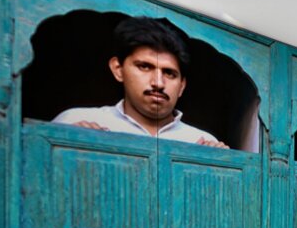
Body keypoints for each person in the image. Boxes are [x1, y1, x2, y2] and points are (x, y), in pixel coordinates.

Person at [52, 17, 228, 148]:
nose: (158, 82)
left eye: (169, 73)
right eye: (144, 67)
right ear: (118, 69)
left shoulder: (204, 143)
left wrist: (222, 161)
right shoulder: (74, 123)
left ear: (182, 85)